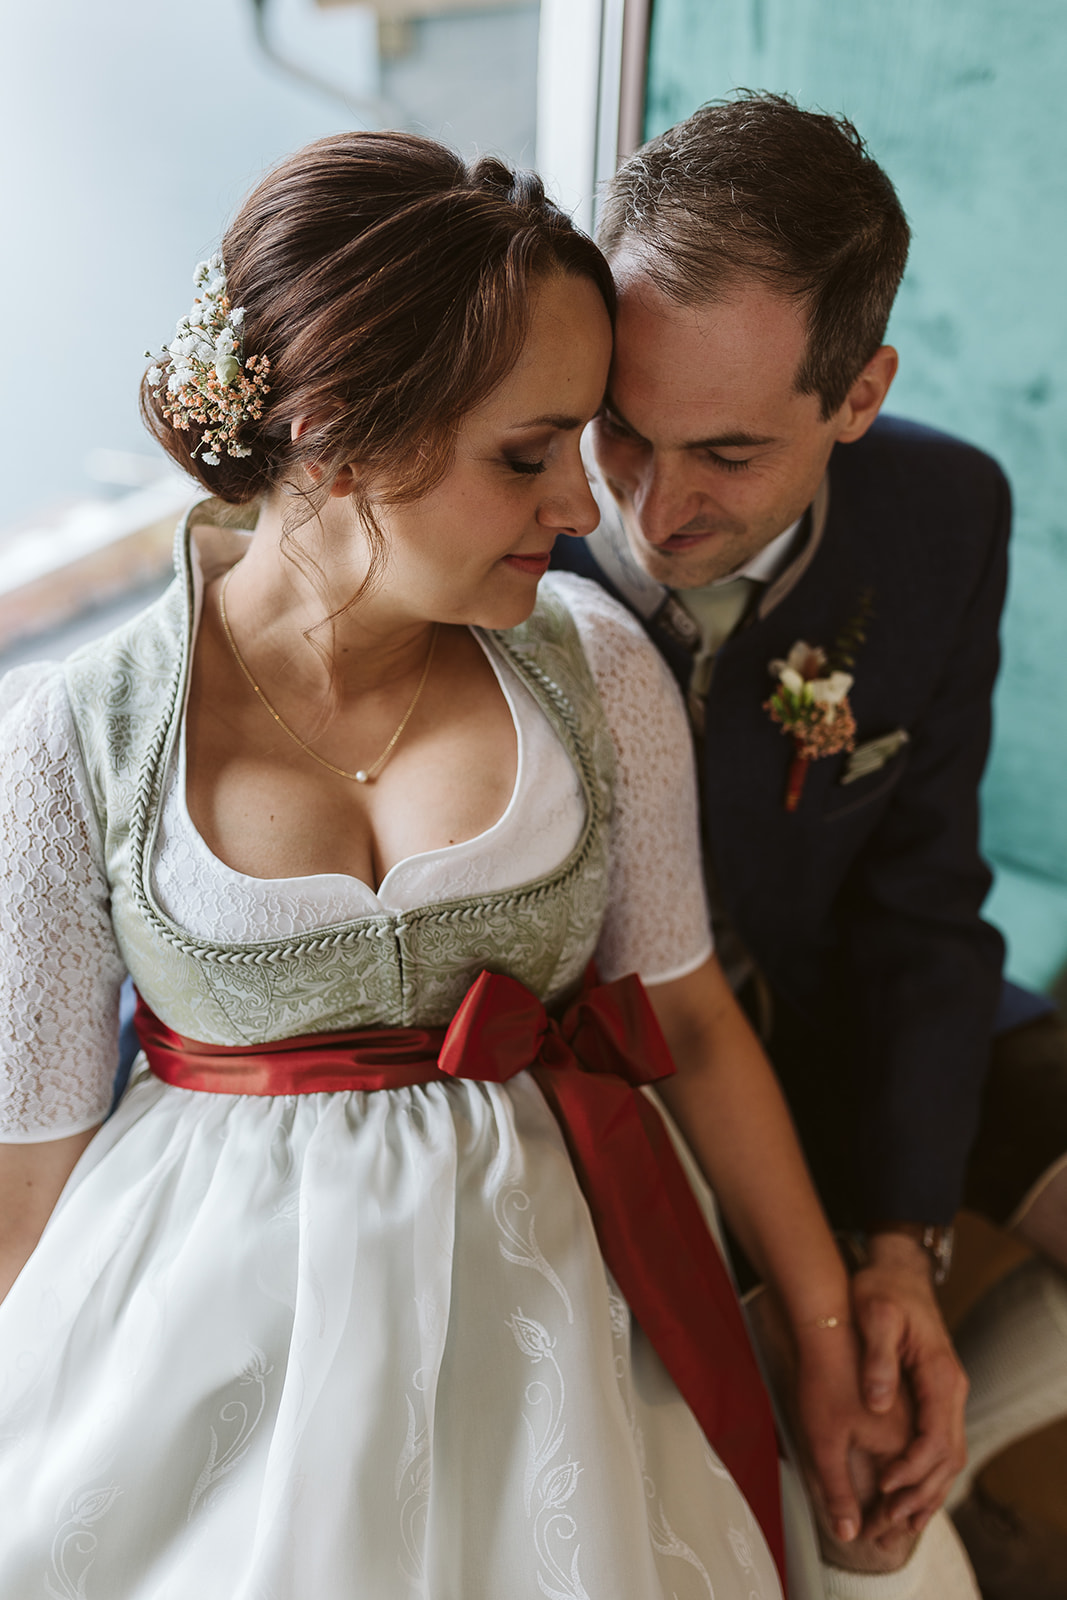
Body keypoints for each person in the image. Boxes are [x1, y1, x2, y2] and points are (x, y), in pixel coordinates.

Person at [0, 130, 896, 1599]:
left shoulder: (594, 671)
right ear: (348, 436)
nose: (578, 507)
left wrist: (822, 1339)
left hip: (565, 1332)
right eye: (528, 454)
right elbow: (25, 1185)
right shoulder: (68, 742)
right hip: (206, 1364)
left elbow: (692, 1025)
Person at [552, 91, 1067, 1592]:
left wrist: (903, 1239)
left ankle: (950, 1440)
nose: (647, 509)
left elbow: (925, 897)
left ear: (858, 396)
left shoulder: (943, 511)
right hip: (634, 1054)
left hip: (860, 994)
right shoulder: (518, 516)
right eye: (621, 432)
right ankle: (893, 1496)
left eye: (724, 454)